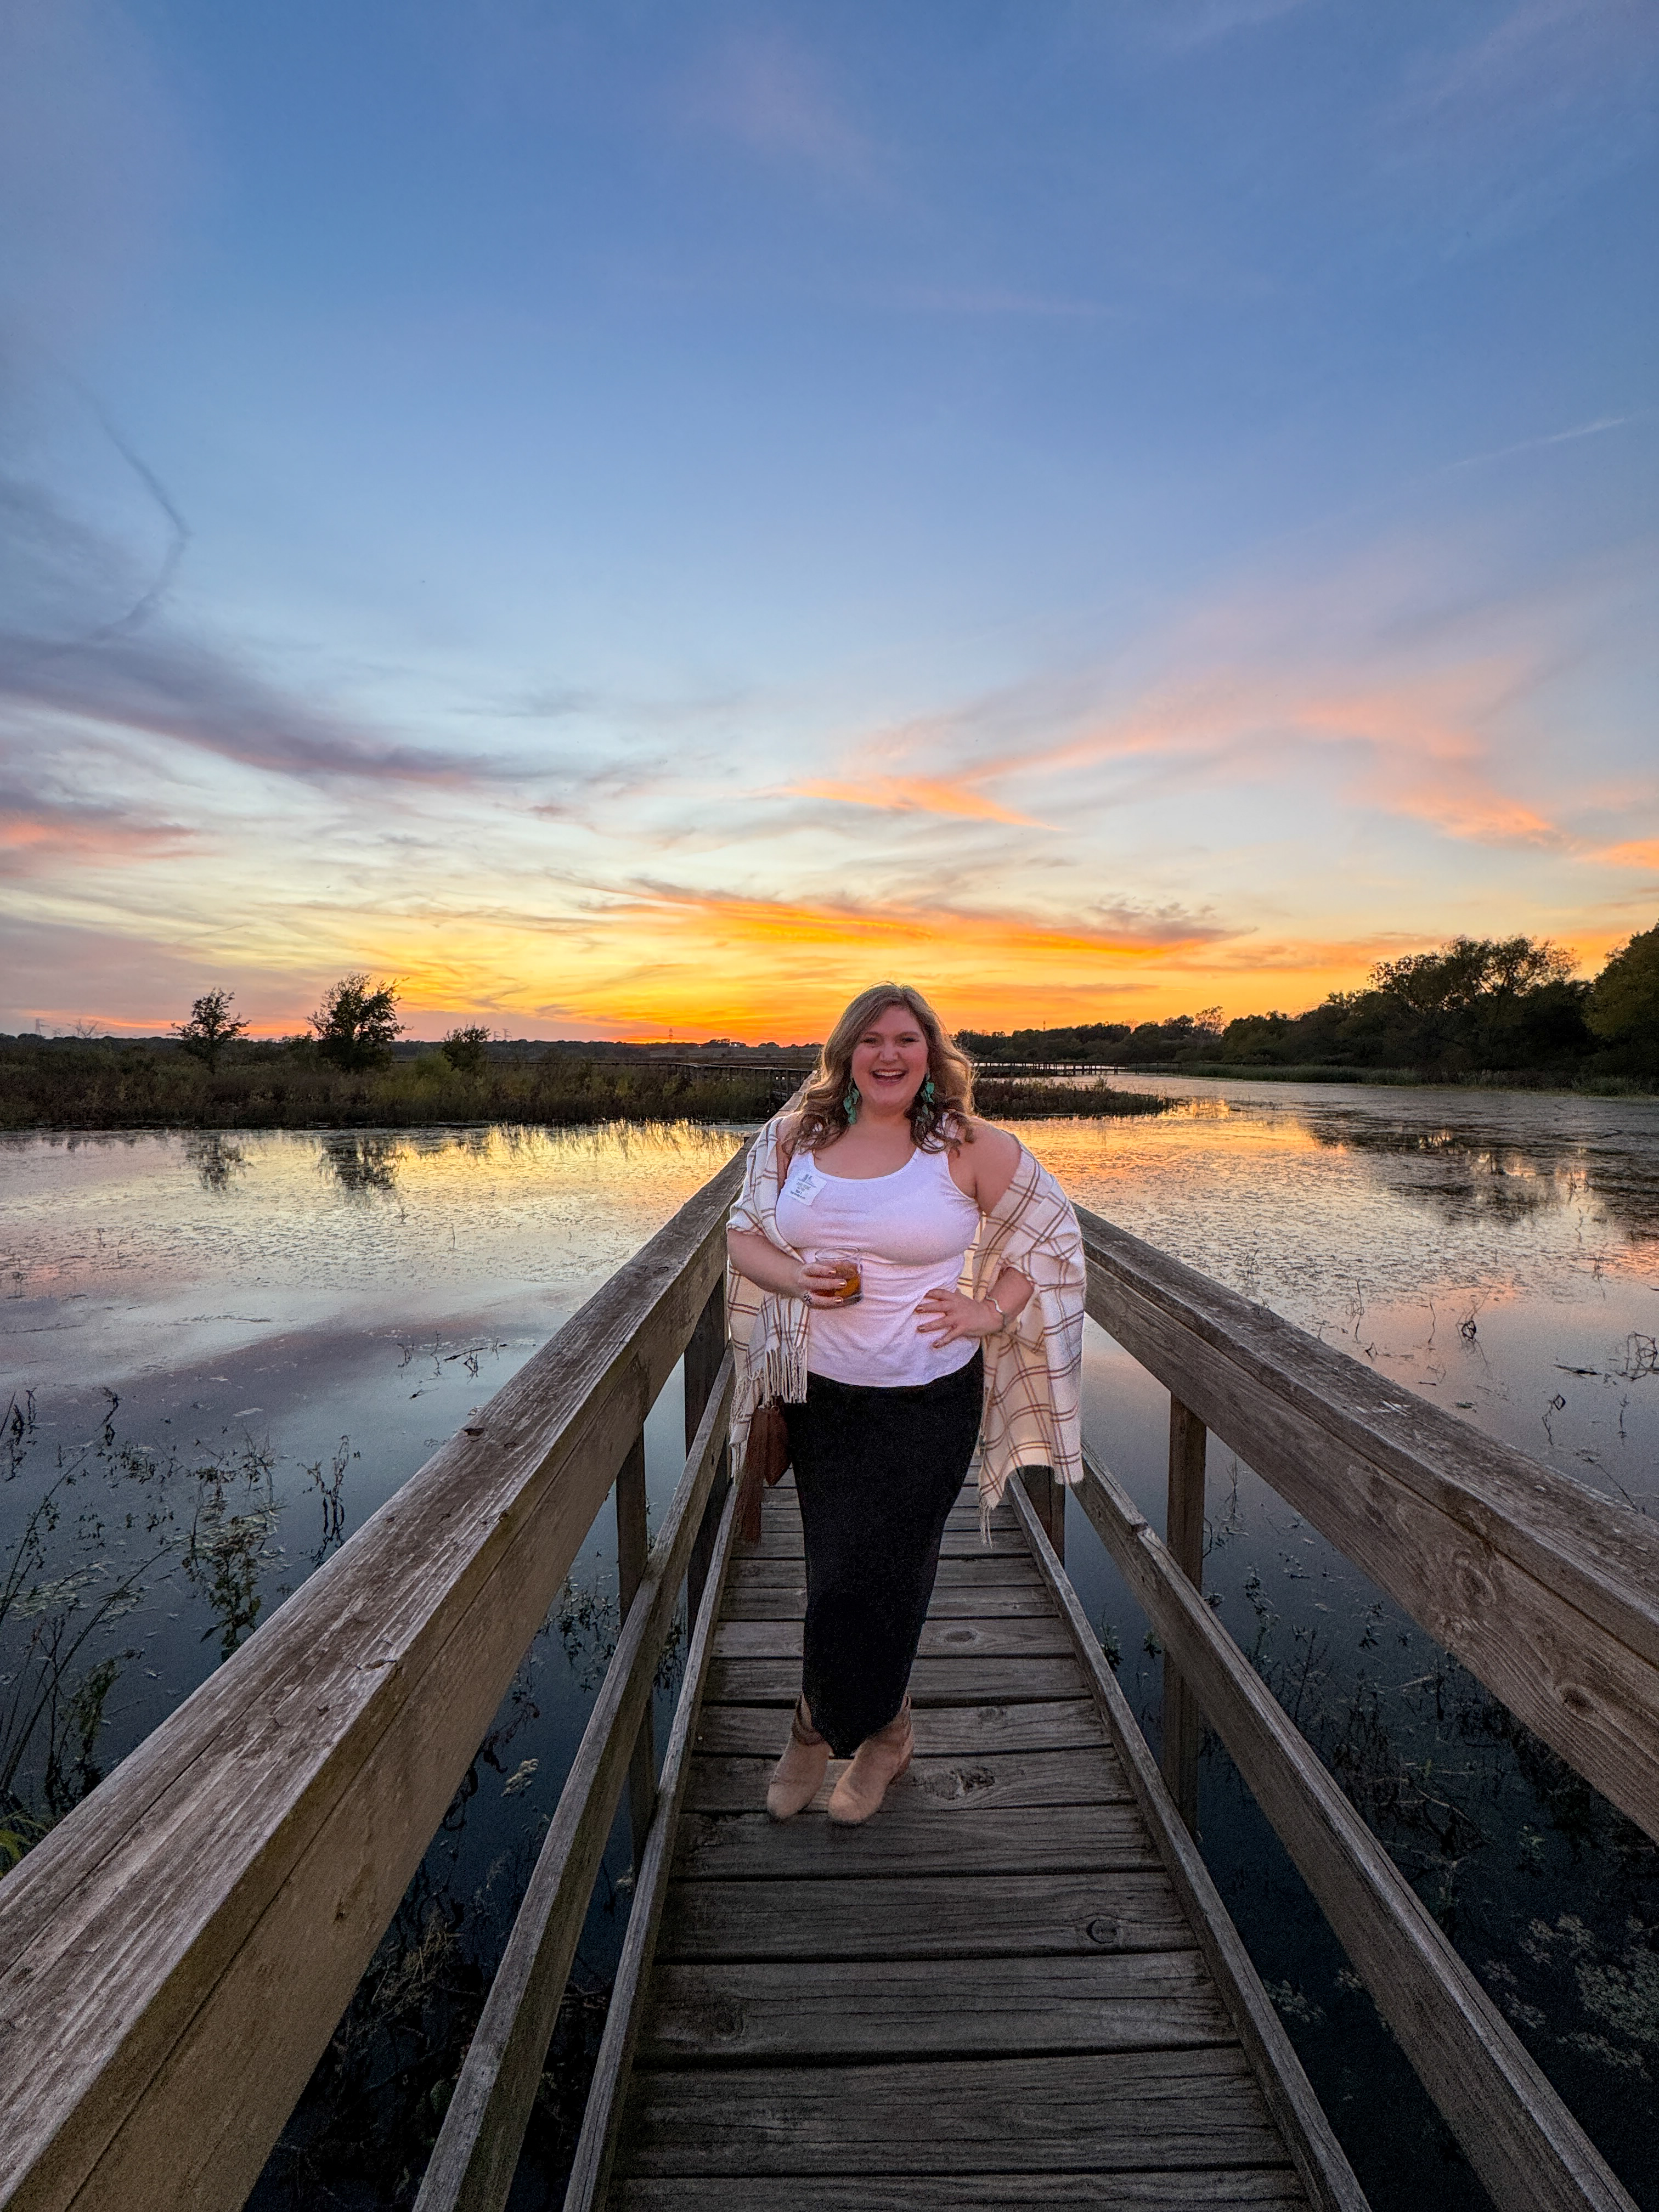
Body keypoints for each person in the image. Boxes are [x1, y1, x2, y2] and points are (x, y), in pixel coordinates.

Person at [726, 982, 1085, 1826]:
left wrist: (989, 1312)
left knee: (889, 1572)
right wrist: (796, 1278)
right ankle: (880, 1729)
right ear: (847, 1053)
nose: (888, 1055)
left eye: (906, 1040)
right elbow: (742, 1236)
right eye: (872, 1040)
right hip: (820, 1398)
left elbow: (1053, 1234)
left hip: (927, 1403)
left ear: (931, 1054)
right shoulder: (794, 1138)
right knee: (834, 1571)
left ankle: (820, 1729)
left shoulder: (965, 1145)